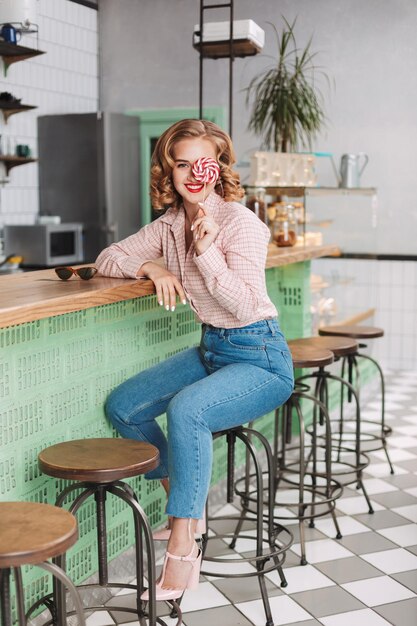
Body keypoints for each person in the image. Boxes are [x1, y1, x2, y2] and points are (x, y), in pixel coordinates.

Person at [95, 119, 294, 601]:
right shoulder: (167, 225)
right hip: (213, 349)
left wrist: (205, 252)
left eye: (200, 163)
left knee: (188, 409)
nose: (191, 174)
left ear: (218, 167)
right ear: (171, 168)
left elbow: (246, 306)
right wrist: (151, 264)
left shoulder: (241, 224)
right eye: (180, 163)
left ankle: (184, 543)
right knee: (125, 406)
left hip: (260, 355)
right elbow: (107, 257)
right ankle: (185, 506)